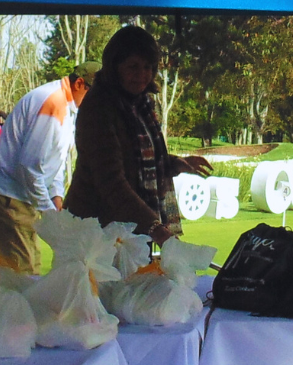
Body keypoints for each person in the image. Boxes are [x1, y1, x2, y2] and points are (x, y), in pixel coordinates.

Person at [66, 27, 209, 245]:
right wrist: (154, 227)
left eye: (148, 67)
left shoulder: (141, 104)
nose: (142, 75)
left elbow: (139, 159)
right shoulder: (99, 106)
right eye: (133, 66)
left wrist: (173, 163)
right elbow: (110, 179)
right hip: (96, 231)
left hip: (132, 230)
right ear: (115, 66)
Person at [0, 64, 97, 272]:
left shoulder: (68, 107)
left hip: (22, 193)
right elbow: (30, 166)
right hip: (9, 193)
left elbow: (54, 160)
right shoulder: (53, 103)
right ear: (80, 83)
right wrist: (47, 209)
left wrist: (56, 197)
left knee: (30, 266)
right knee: (22, 274)